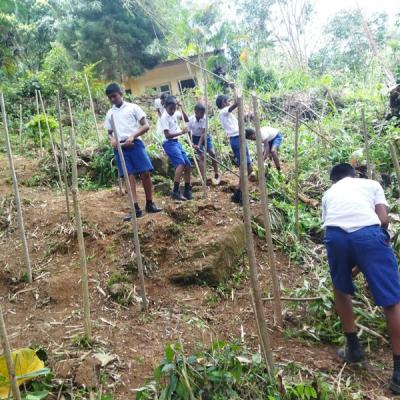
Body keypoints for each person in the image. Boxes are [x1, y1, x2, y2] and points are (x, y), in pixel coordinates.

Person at [322, 163, 400, 394]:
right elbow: (383, 219)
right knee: (392, 301)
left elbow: (335, 226)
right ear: (354, 175)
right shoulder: (371, 184)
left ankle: (354, 349)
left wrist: (353, 269)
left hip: (335, 236)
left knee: (340, 287)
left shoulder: (329, 193)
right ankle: (398, 373)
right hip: (369, 234)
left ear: (333, 181)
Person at [104, 83, 161, 218]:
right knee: (129, 176)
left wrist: (133, 136)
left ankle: (149, 203)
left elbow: (146, 125)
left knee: (145, 173)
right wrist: (112, 140)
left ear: (121, 94)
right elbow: (109, 132)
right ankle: (135, 208)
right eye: (110, 97)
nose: (112, 99)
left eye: (114, 96)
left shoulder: (133, 107)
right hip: (120, 147)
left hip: (135, 143)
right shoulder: (110, 113)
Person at [216, 94, 255, 204]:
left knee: (248, 168)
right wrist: (238, 99)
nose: (229, 102)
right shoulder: (223, 111)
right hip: (236, 139)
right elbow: (235, 105)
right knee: (245, 168)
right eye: (227, 101)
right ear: (223, 103)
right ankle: (241, 196)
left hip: (240, 138)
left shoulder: (227, 114)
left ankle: (238, 193)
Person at [160, 95, 192, 201]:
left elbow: (186, 119)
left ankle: (187, 190)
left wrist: (181, 108)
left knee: (188, 165)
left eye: (174, 108)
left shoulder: (175, 112)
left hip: (176, 142)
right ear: (165, 107)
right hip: (169, 143)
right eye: (170, 109)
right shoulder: (164, 117)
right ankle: (175, 191)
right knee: (181, 164)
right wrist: (181, 132)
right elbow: (167, 135)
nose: (173, 111)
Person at [187, 103, 220, 185]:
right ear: (196, 112)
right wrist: (191, 143)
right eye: (201, 113)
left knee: (212, 152)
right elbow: (188, 132)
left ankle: (216, 173)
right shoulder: (190, 120)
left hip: (205, 136)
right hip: (195, 137)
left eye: (203, 113)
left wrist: (199, 144)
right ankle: (203, 178)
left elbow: (203, 134)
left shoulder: (205, 119)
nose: (203, 115)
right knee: (201, 156)